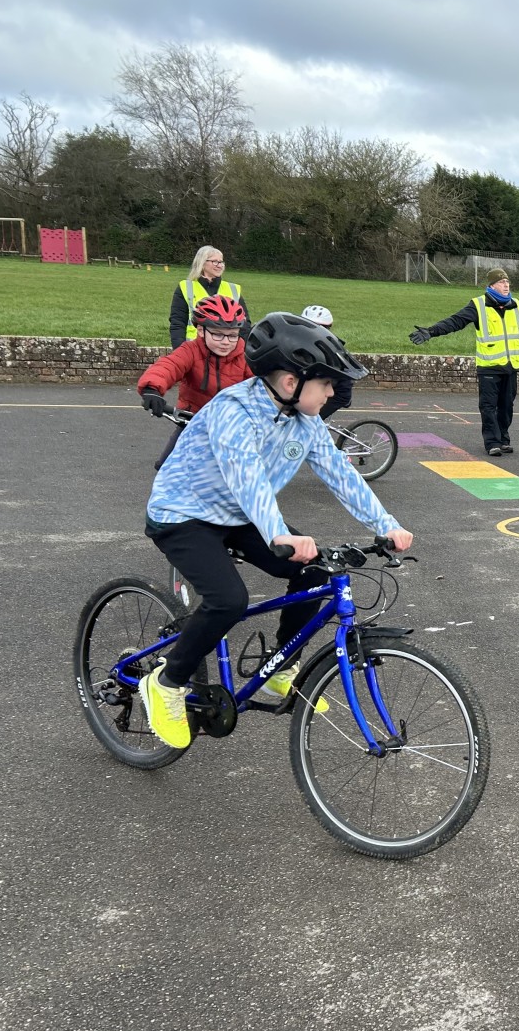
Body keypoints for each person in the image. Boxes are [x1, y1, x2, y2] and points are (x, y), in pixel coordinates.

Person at [137, 312, 413, 749]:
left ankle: (279, 673)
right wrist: (277, 533)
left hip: (239, 516)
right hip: (184, 514)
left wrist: (388, 525)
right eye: (326, 384)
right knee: (228, 599)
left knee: (318, 572)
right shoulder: (233, 410)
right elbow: (247, 478)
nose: (334, 393)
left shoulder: (305, 422)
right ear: (290, 383)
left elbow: (341, 475)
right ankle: (166, 682)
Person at [409, 268, 519, 457]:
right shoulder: (478, 306)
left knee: (507, 406)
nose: (506, 285)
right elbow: (454, 322)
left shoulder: (516, 306)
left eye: (507, 282)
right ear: (491, 286)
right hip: (488, 367)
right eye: (501, 282)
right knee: (488, 407)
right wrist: (431, 332)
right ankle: (492, 442)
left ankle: (503, 438)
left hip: (510, 366)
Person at [138, 295, 253, 467]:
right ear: (200, 330)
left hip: (231, 426)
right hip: (193, 422)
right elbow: (169, 366)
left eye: (232, 336)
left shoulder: (245, 355)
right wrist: (152, 388)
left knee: (240, 473)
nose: (226, 342)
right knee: (166, 466)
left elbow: (263, 384)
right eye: (218, 335)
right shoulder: (191, 351)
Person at [170, 246, 249, 349]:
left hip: (226, 350)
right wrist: (180, 352)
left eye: (221, 262)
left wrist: (242, 351)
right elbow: (178, 323)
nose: (219, 265)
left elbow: (245, 325)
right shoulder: (185, 287)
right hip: (195, 349)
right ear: (202, 263)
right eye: (215, 262)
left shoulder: (233, 289)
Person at [301, 306, 352, 421]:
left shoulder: (333, 348)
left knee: (308, 421)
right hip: (319, 388)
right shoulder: (307, 343)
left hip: (338, 393)